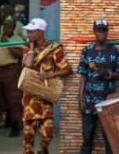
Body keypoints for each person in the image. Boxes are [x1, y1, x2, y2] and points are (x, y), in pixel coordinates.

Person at [20, 18, 71, 154]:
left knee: (48, 134)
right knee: (28, 137)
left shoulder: (54, 48)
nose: (28, 34)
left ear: (40, 32)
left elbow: (67, 70)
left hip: (45, 96)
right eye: (28, 32)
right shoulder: (26, 47)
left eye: (31, 32)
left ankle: (43, 149)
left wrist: (50, 75)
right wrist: (31, 49)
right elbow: (28, 65)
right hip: (30, 97)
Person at [77, 20, 119, 154]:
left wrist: (107, 74)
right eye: (99, 30)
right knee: (87, 137)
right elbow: (83, 75)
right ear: (94, 32)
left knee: (109, 138)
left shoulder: (114, 51)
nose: (102, 33)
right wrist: (80, 98)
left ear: (107, 32)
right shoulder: (87, 50)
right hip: (89, 100)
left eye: (104, 30)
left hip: (107, 101)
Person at [0, 16, 25, 137]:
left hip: (10, 70)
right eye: (4, 26)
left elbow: (20, 55)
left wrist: (8, 44)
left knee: (14, 99)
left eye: (8, 26)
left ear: (13, 28)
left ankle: (15, 125)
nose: (5, 28)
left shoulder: (17, 39)